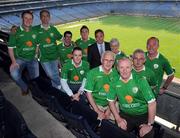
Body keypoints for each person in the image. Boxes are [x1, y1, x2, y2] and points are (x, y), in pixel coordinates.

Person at [108, 57, 156, 138]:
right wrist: (118, 119)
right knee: (117, 133)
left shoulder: (141, 81)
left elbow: (152, 103)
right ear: (117, 68)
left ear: (131, 67)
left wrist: (149, 124)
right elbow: (111, 101)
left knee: (148, 135)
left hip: (142, 115)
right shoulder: (114, 81)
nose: (124, 70)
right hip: (125, 114)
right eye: (121, 67)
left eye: (127, 67)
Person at [8, 10, 39, 95]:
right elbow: (10, 48)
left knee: (36, 78)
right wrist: (13, 62)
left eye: (30, 18)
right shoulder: (15, 31)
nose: (28, 20)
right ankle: (24, 88)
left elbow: (37, 44)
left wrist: (36, 55)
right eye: (26, 18)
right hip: (20, 59)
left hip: (32, 59)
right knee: (14, 74)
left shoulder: (35, 31)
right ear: (22, 18)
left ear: (32, 20)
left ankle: (35, 91)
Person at [84, 51, 119, 120]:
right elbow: (88, 94)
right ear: (101, 60)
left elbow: (116, 94)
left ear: (114, 62)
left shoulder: (116, 74)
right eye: (106, 60)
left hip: (111, 103)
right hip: (97, 104)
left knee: (119, 124)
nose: (108, 63)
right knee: (99, 123)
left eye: (111, 60)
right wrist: (97, 111)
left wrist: (109, 110)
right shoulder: (92, 73)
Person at [34, 9, 62, 90]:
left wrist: (72, 43)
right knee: (49, 74)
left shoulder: (53, 29)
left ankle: (56, 88)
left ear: (49, 17)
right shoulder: (36, 29)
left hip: (54, 56)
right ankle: (61, 84)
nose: (45, 18)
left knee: (55, 73)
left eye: (47, 16)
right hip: (44, 58)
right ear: (40, 18)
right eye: (43, 16)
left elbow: (61, 38)